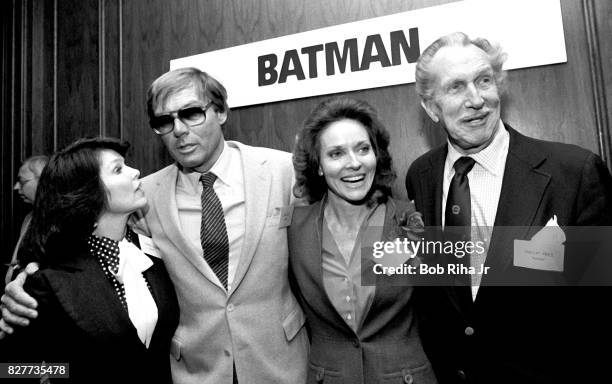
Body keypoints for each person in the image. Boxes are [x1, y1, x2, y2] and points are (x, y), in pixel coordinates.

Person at [0, 68, 309, 384]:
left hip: (281, 364)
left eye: (191, 113)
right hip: (195, 373)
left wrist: (367, 271)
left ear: (221, 111)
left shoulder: (282, 171)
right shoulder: (145, 195)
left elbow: (341, 235)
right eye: (164, 121)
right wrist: (26, 280)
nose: (179, 130)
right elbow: (80, 244)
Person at [405, 32, 612, 383]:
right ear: (431, 107)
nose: (476, 99)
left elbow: (599, 312)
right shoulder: (420, 176)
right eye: (456, 87)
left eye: (484, 80)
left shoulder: (574, 174)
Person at [0, 137, 179, 383]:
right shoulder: (49, 281)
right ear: (89, 193)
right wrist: (68, 373)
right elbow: (10, 369)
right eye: (118, 169)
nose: (135, 171)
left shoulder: (150, 254)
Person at [290, 97, 438, 383]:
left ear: (376, 154)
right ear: (318, 165)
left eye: (363, 149)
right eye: (336, 154)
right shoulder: (295, 229)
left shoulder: (411, 218)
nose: (354, 163)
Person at [6, 155, 48, 285]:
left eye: (22, 181)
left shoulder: (62, 219)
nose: (16, 187)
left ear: (43, 181)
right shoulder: (29, 218)